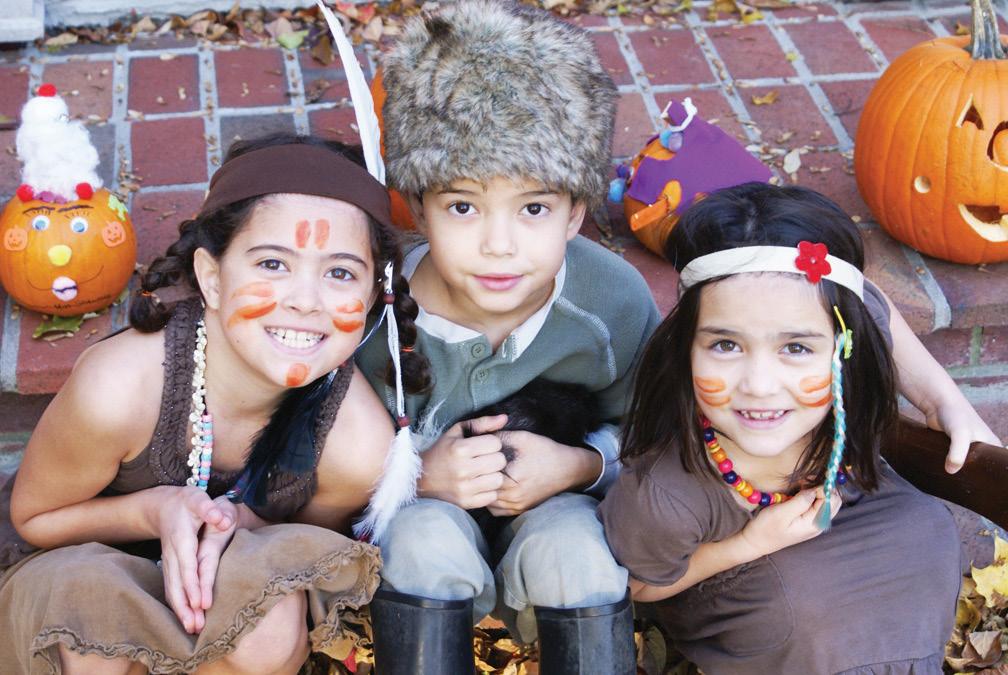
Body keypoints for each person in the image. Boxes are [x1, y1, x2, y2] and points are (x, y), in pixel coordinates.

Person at [0, 133, 429, 674]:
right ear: (212, 277)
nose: (305, 300)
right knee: (92, 631)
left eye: (340, 273)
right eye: (272, 264)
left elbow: (300, 553)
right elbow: (36, 518)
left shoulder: (356, 443)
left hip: (225, 590)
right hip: (84, 566)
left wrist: (235, 520)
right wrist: (155, 509)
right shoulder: (121, 389)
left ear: (371, 298)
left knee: (268, 625)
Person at [598, 182, 963, 673]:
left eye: (795, 348)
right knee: (804, 610)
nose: (760, 385)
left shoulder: (845, 328)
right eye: (726, 345)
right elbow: (638, 586)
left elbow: (874, 302)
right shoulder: (666, 495)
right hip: (748, 591)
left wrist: (944, 401)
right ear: (686, 349)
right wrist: (749, 544)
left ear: (844, 346)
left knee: (923, 532)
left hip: (865, 519)